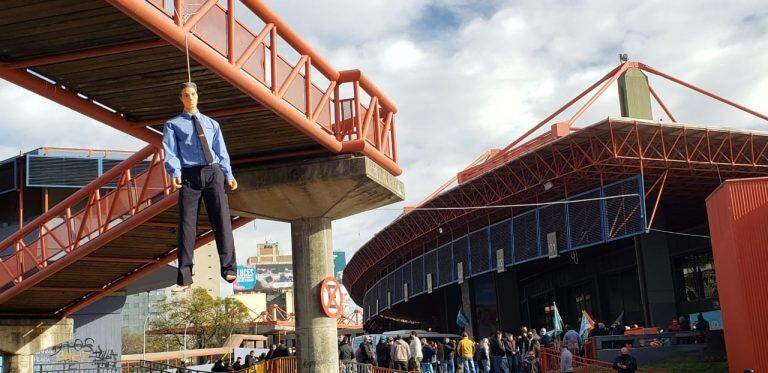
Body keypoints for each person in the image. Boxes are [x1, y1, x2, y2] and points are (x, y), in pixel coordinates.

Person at [163, 82, 238, 290]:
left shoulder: (211, 123)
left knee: (222, 219)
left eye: (193, 94)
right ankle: (185, 272)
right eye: (186, 95)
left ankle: (229, 268)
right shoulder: (173, 124)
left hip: (212, 171)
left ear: (198, 96)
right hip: (189, 175)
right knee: (187, 224)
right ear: (181, 98)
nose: (190, 98)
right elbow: (171, 151)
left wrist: (228, 174)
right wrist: (175, 172)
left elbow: (220, 150)